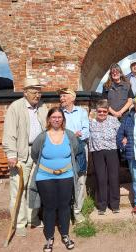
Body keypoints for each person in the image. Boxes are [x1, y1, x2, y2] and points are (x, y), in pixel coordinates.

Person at [2, 78, 47, 237]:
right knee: (18, 189)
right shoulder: (16, 107)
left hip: (38, 153)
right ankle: (19, 223)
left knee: (35, 187)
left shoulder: (42, 107)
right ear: (25, 93)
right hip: (21, 154)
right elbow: (9, 133)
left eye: (39, 92)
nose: (38, 95)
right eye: (34, 92)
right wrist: (11, 154)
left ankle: (32, 218)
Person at [30, 107, 78, 252]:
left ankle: (65, 235)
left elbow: (74, 151)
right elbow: (35, 154)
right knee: (49, 207)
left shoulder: (69, 135)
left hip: (66, 175)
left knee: (64, 206)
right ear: (49, 119)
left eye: (59, 117)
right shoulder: (42, 137)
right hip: (45, 176)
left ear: (63, 119)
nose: (56, 119)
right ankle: (49, 238)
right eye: (54, 117)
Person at [57, 87, 89, 223]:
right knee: (65, 180)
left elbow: (86, 131)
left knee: (81, 180)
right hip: (63, 149)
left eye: (64, 96)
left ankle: (77, 210)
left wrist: (73, 135)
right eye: (60, 97)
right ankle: (65, 211)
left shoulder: (81, 112)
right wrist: (72, 135)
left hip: (80, 148)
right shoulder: (59, 113)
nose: (61, 99)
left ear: (72, 98)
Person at [89, 99, 121, 215]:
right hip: (97, 152)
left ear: (108, 111)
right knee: (101, 178)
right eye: (100, 111)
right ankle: (102, 205)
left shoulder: (114, 120)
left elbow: (122, 132)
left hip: (112, 150)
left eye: (104, 111)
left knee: (113, 177)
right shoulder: (91, 122)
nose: (102, 113)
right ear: (96, 111)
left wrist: (124, 138)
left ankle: (115, 204)